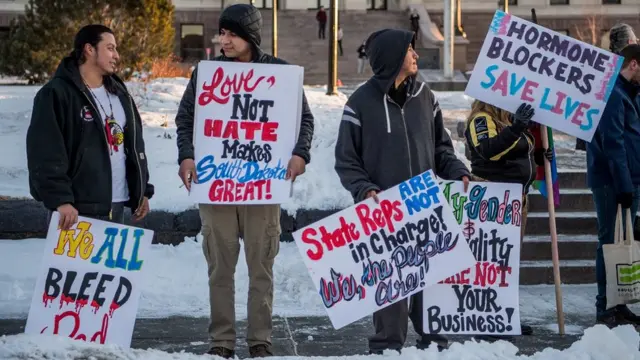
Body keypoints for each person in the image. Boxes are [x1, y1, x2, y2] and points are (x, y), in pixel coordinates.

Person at [174, 4, 315, 358]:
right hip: (216, 186)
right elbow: (185, 118)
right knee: (219, 268)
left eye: (231, 34)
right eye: (221, 33)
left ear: (250, 36)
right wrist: (186, 155)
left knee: (261, 269)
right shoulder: (207, 74)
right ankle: (221, 342)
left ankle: (260, 341)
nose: (223, 40)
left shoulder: (280, 75)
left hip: (263, 188)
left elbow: (305, 121)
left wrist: (300, 154)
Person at [334, 28, 470, 354]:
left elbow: (441, 149)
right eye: (410, 50)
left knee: (431, 298)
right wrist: (364, 189)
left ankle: (435, 348)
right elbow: (346, 161)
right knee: (391, 306)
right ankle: (386, 351)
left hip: (426, 214)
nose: (416, 56)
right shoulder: (359, 104)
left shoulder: (426, 96)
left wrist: (458, 170)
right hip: (385, 218)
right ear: (394, 57)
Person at [26, 24, 153, 229]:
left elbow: (133, 146)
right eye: (110, 48)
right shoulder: (56, 94)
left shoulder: (120, 94)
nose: (117, 55)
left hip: (117, 203)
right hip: (75, 209)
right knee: (68, 264)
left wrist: (142, 190)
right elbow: (45, 152)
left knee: (109, 263)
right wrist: (60, 199)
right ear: (89, 49)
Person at [464, 100, 552, 341]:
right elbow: (488, 150)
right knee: (492, 262)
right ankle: (486, 317)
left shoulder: (506, 121)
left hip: (515, 201)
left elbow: (517, 151)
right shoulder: (481, 119)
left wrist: (538, 153)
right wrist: (516, 129)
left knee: (507, 264)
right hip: (493, 201)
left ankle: (503, 315)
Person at [587, 44, 640, 328]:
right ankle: (604, 306)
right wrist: (624, 185)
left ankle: (618, 303)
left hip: (629, 179)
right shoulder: (612, 94)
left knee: (622, 243)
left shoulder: (630, 92)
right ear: (633, 64)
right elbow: (613, 143)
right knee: (608, 242)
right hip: (611, 181)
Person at [578, 23, 638, 151]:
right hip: (622, 147)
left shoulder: (599, 69)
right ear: (630, 41)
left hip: (596, 144)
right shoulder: (630, 72)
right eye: (636, 40)